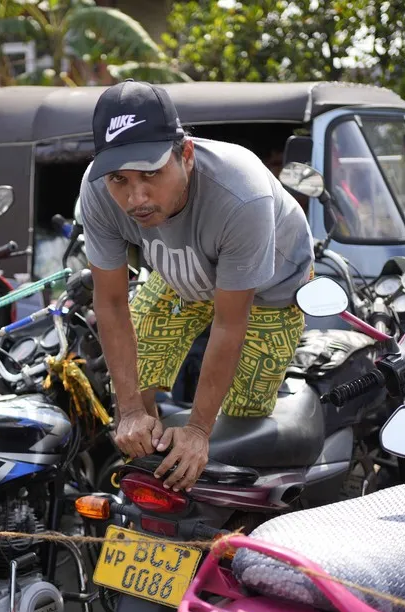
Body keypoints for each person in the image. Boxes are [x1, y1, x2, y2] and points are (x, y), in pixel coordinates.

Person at [77, 80, 315, 492]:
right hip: (180, 276)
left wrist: (200, 431)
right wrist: (130, 410)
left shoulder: (241, 194)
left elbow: (229, 324)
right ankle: (151, 483)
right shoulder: (97, 189)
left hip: (266, 294)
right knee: (136, 382)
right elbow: (112, 304)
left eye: (151, 173)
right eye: (120, 179)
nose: (136, 198)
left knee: (243, 424)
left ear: (185, 155)